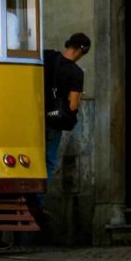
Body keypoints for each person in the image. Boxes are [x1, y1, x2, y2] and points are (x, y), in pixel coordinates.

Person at [43, 33, 91, 177]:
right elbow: (72, 105)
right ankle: (39, 198)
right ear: (80, 50)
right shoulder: (76, 72)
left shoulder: (48, 57)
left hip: (36, 115)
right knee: (49, 161)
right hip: (54, 120)